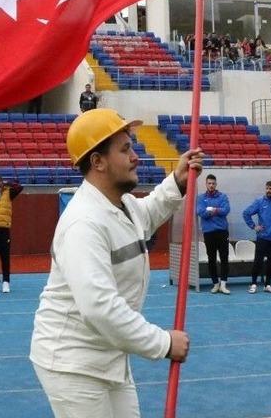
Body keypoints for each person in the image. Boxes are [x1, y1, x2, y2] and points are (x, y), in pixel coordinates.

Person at [30, 109, 197, 417]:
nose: (135, 156)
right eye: (125, 149)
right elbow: (99, 306)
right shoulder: (83, 223)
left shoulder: (123, 205)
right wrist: (162, 343)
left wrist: (177, 181)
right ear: (98, 162)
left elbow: (147, 213)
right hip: (73, 363)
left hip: (110, 355)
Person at [242, 181, 271, 294]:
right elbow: (246, 213)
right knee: (258, 261)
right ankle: (253, 284)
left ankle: (267, 285)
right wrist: (254, 226)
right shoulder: (259, 202)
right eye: (267, 188)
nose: (268, 191)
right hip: (262, 237)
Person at [196, 174, 231, 294]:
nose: (211, 185)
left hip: (222, 231)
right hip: (208, 232)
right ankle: (215, 283)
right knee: (211, 259)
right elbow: (201, 212)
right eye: (209, 183)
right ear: (206, 184)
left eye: (213, 183)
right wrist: (216, 210)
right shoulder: (201, 198)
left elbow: (226, 210)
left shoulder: (223, 196)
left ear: (216, 184)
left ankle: (224, 284)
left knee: (224, 258)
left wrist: (211, 209)